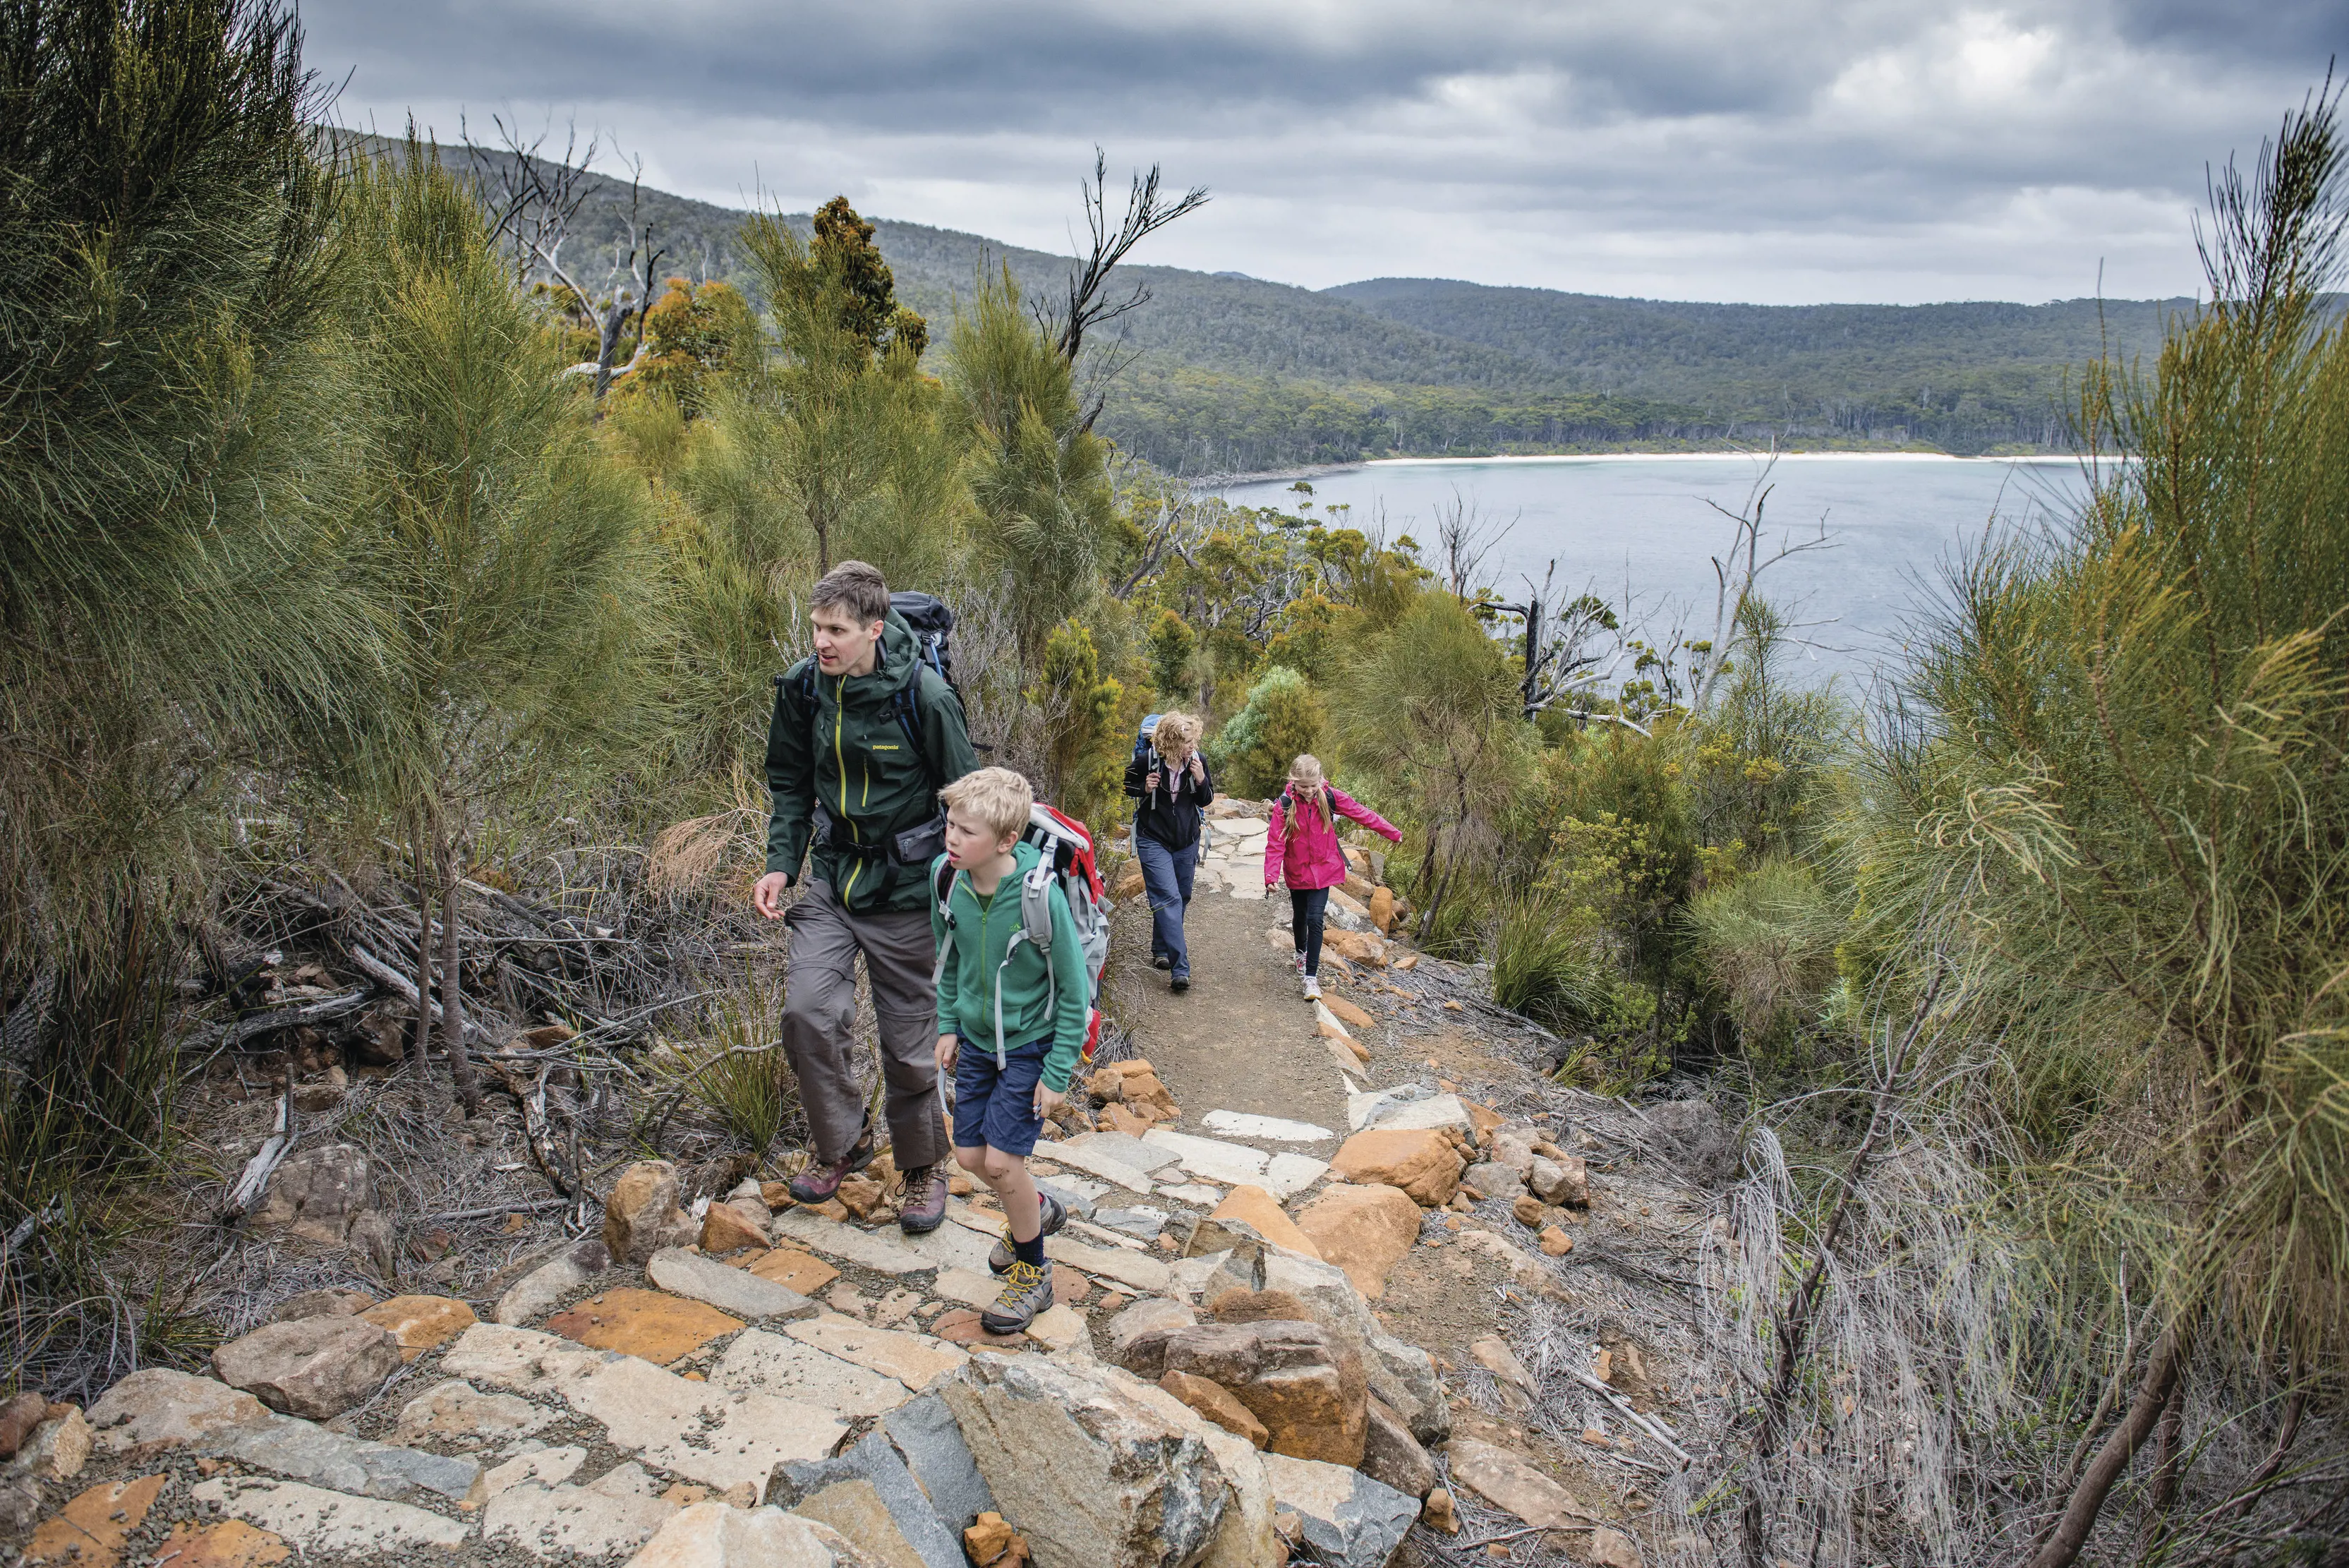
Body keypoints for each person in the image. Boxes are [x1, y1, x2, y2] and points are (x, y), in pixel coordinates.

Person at [754, 560, 978, 1234]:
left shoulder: (924, 696)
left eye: (837, 630)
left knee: (910, 1042)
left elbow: (967, 797)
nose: (821, 642)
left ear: (874, 628)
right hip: (831, 880)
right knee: (807, 1014)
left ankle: (921, 1169)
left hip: (907, 889)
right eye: (817, 627)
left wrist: (972, 893)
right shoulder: (802, 689)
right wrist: (780, 865)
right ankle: (844, 1142)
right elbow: (789, 783)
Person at [930, 767, 1091, 1334]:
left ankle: (1034, 1273)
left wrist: (1057, 1071)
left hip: (1029, 1045)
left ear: (1005, 841)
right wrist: (947, 1023)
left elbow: (1076, 991)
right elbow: (947, 958)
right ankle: (1037, 1209)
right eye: (949, 824)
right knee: (970, 1159)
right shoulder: (945, 878)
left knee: (1001, 1163)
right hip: (974, 1042)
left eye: (965, 832)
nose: (951, 840)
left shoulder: (1036, 896)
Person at [1264, 754, 1403, 1001]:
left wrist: (1392, 833)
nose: (1308, 791)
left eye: (1312, 786)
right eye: (1303, 786)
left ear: (1320, 780)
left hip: (1324, 870)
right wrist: (1271, 875)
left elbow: (1362, 813)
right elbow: (1276, 843)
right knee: (1300, 917)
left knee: (1316, 920)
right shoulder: (1284, 805)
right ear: (1293, 782)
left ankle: (1310, 978)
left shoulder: (1330, 797)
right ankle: (1300, 952)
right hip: (1297, 871)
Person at [1123, 712, 1214, 994]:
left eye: (1193, 740)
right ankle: (1180, 968)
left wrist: (1200, 780)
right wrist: (1143, 788)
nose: (1191, 746)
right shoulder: (1147, 761)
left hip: (1186, 840)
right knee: (1169, 898)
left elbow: (1206, 800)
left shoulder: (1197, 762)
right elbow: (1127, 784)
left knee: (1181, 896)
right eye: (1186, 741)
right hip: (1154, 840)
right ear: (1171, 742)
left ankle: (1161, 948)